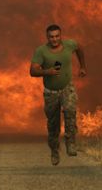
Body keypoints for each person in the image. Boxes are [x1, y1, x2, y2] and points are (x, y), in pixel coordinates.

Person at [30, 24, 87, 166]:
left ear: (60, 36)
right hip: (51, 93)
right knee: (53, 125)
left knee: (70, 112)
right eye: (51, 37)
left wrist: (83, 67)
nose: (54, 39)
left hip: (67, 88)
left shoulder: (69, 45)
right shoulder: (41, 51)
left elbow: (80, 48)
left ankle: (71, 143)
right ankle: (55, 151)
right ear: (47, 37)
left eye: (57, 36)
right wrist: (46, 72)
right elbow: (33, 71)